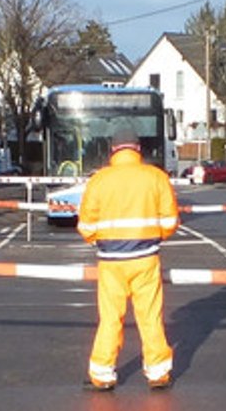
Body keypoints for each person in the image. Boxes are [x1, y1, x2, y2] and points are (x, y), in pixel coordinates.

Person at [76, 128, 181, 391]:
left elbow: (86, 226)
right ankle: (158, 373)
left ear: (113, 150)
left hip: (111, 261)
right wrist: (154, 237)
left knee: (111, 318)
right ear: (138, 149)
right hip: (146, 258)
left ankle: (102, 374)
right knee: (150, 316)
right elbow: (170, 222)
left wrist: (101, 240)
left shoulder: (99, 180)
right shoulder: (156, 178)